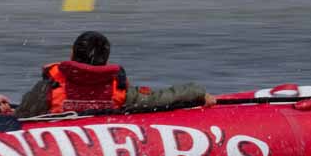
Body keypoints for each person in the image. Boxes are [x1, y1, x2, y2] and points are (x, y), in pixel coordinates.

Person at [15, 31, 216, 117]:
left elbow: (21, 117)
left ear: (72, 54)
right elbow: (164, 98)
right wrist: (197, 92)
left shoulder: (47, 90)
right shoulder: (120, 92)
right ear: (106, 59)